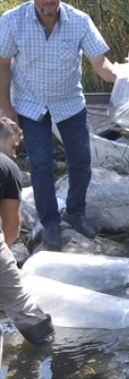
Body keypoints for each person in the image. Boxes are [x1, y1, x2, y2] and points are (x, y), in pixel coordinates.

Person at [0, 0, 118, 250]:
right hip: (30, 103)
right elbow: (3, 65)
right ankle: (50, 221)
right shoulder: (12, 20)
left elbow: (100, 64)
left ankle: (75, 212)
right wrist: (6, 107)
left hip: (69, 102)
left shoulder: (79, 21)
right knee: (41, 164)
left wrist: (124, 77)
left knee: (81, 161)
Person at [1, 117, 54, 364]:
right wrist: (5, 250)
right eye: (13, 147)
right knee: (21, 304)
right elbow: (12, 224)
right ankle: (47, 355)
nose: (14, 154)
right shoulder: (6, 167)